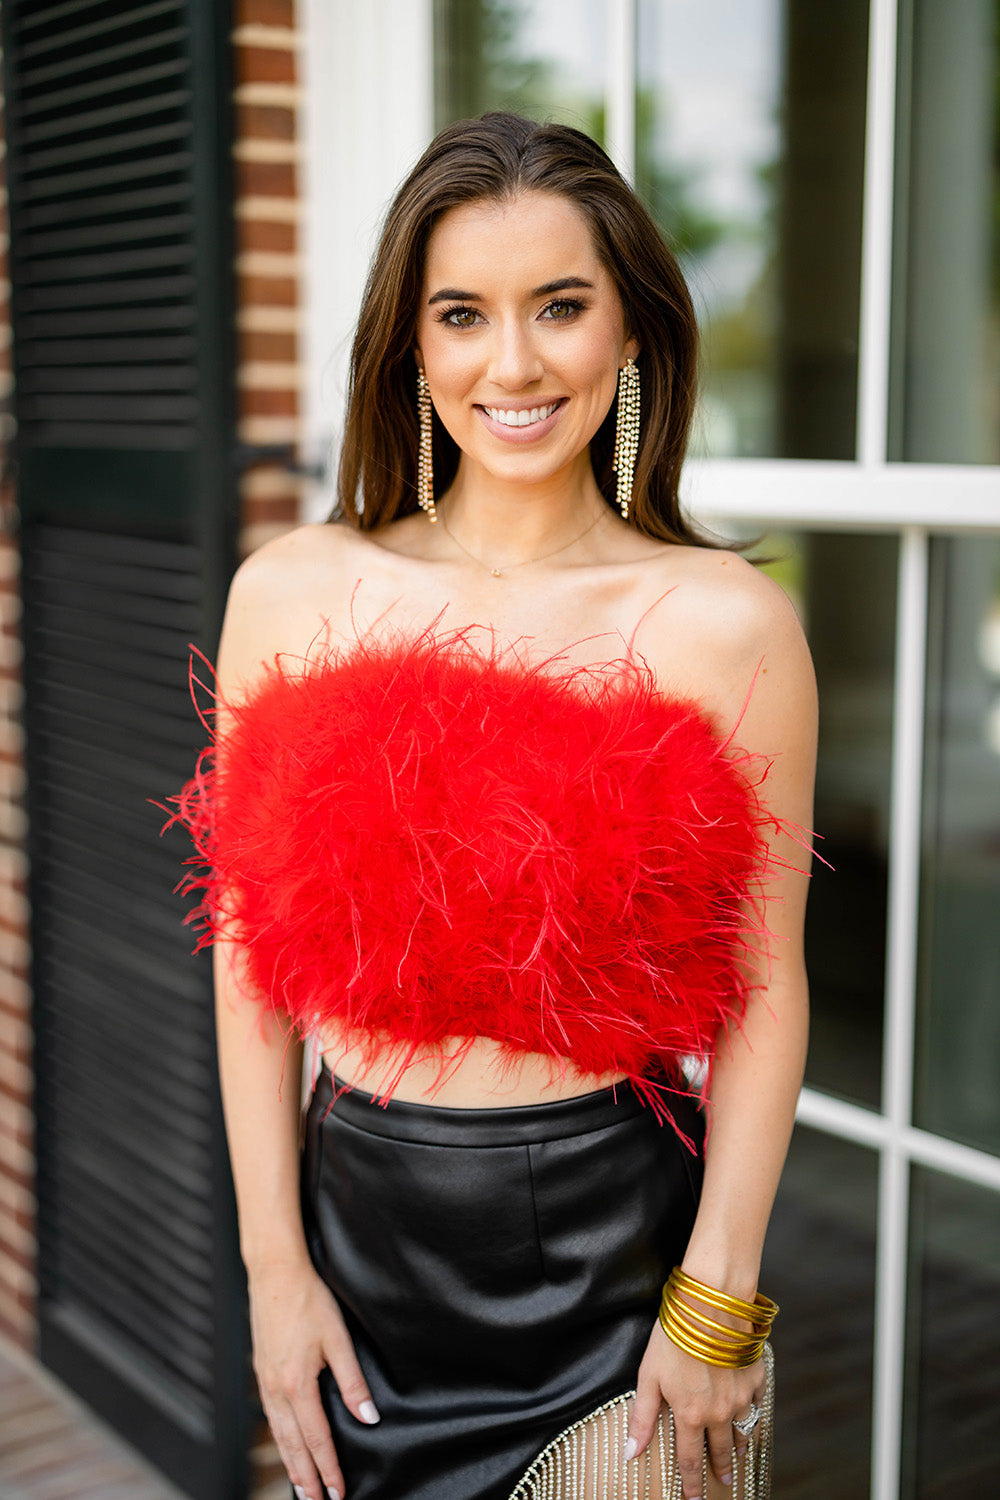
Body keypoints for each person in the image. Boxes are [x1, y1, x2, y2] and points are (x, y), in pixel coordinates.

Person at [170, 112, 815, 1500]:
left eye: (560, 308)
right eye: (462, 314)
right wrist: (273, 1272)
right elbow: (247, 961)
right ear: (412, 343)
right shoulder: (292, 588)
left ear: (632, 331)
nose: (512, 364)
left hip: (612, 1261)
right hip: (359, 1248)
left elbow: (764, 989)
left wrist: (715, 1304)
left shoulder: (726, 622)